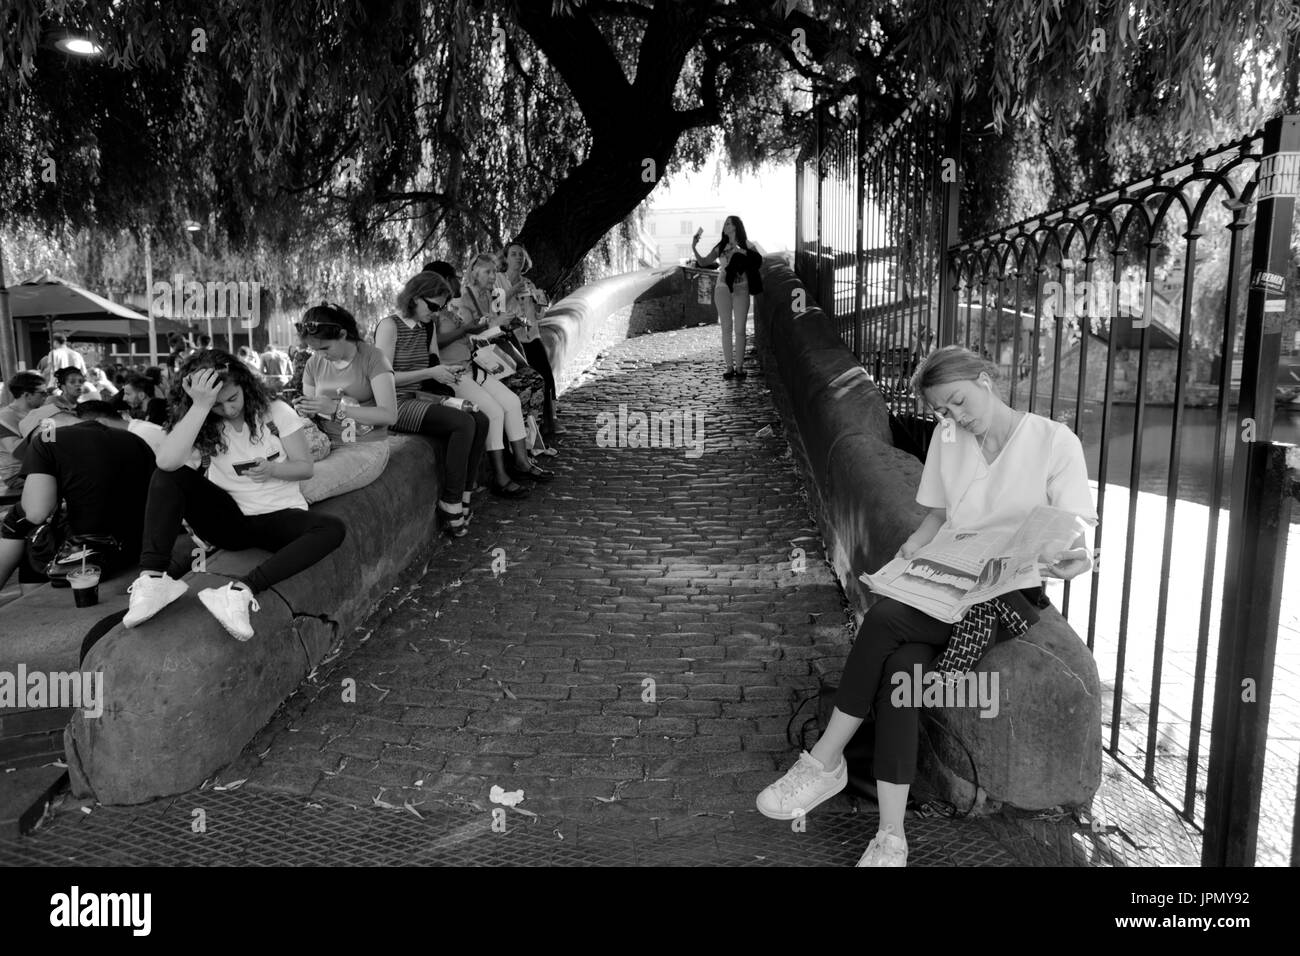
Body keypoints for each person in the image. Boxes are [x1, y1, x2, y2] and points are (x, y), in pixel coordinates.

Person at [754, 346, 1098, 866]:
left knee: (887, 618)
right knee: (901, 670)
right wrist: (914, 549)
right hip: (946, 577)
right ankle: (891, 836)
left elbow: (1075, 529)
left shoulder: (1053, 441)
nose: (954, 417)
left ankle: (826, 759)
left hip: (1005, 593)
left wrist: (1077, 558)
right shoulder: (949, 438)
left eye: (958, 401)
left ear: (986, 380)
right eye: (942, 410)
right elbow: (938, 518)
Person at [120, 351, 346, 640]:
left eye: (233, 398)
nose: (227, 410)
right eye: (217, 404)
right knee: (167, 476)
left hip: (277, 516)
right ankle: (153, 580)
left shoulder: (276, 411)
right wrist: (200, 407)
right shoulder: (201, 421)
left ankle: (240, 591)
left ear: (245, 385)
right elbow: (166, 463)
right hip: (228, 520)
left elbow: (305, 468)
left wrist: (273, 470)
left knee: (332, 528)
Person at [374, 272, 492, 536]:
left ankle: (464, 495)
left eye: (441, 307)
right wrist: (431, 373)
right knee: (462, 424)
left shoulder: (427, 327)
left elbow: (433, 366)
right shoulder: (390, 326)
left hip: (421, 396)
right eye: (433, 306)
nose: (437, 313)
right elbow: (384, 380)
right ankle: (450, 502)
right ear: (414, 298)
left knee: (480, 419)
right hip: (395, 404)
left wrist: (447, 372)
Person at [0, 400, 155, 595]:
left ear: (44, 427)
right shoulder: (131, 438)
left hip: (90, 558)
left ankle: (35, 606)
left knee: (19, 521)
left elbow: (37, 513)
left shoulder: (45, 441)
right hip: (138, 547)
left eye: (30, 442)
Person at [441, 257, 549, 494]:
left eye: (493, 272)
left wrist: (501, 325)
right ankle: (500, 476)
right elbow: (468, 337)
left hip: (477, 365)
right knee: (495, 410)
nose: (493, 276)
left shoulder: (460, 307)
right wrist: (496, 326)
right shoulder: (456, 306)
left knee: (511, 401)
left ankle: (522, 461)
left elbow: (469, 337)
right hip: (463, 370)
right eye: (488, 272)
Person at [295, 302, 399, 448]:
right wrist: (307, 410)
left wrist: (336, 409)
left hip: (366, 443)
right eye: (314, 349)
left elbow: (389, 416)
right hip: (324, 441)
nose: (321, 355)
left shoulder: (374, 358)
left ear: (343, 335)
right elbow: (312, 414)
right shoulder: (313, 363)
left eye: (325, 348)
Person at [497, 241, 563, 437]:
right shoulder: (498, 280)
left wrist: (542, 304)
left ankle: (551, 420)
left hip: (531, 335)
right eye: (514, 254)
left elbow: (538, 315)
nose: (518, 257)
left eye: (521, 255)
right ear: (506, 258)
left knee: (546, 376)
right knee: (528, 379)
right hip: (512, 337)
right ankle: (532, 424)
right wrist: (513, 291)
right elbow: (494, 306)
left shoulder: (529, 283)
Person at [692, 214, 764, 380]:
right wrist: (694, 247)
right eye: (725, 224)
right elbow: (703, 262)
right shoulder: (721, 246)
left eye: (729, 223)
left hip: (742, 287)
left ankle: (739, 367)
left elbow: (759, 261)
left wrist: (742, 251)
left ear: (736, 226)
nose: (725, 225)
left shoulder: (747, 244)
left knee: (740, 329)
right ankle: (729, 367)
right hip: (722, 288)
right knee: (726, 328)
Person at [0, 372, 52, 493]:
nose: (47, 396)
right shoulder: (5, 417)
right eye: (43, 393)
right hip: (18, 474)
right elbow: (15, 450)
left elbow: (50, 443)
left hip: (41, 468)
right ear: (27, 395)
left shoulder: (43, 412)